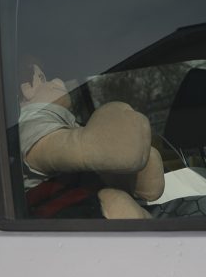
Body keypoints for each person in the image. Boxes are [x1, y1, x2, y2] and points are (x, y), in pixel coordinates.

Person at [17, 57, 163, 219]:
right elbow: (73, 147)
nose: (57, 81)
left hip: (82, 203)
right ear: (27, 89)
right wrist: (101, 141)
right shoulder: (30, 125)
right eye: (42, 79)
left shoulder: (70, 125)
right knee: (117, 204)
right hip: (60, 213)